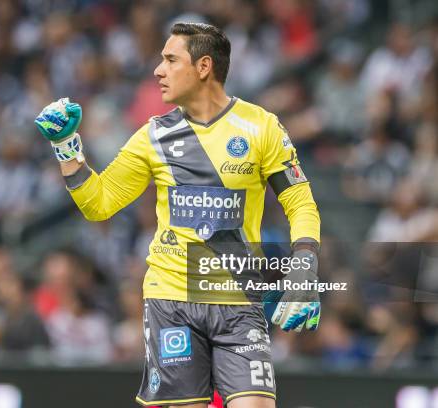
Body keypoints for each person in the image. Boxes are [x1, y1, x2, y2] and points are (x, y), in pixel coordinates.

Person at [34, 23, 321, 408]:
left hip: (238, 300)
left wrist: (304, 265)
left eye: (170, 59)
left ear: (204, 66)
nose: (158, 70)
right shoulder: (153, 136)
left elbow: (300, 200)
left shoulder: (261, 127)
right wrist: (67, 149)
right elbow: (99, 203)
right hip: (171, 300)